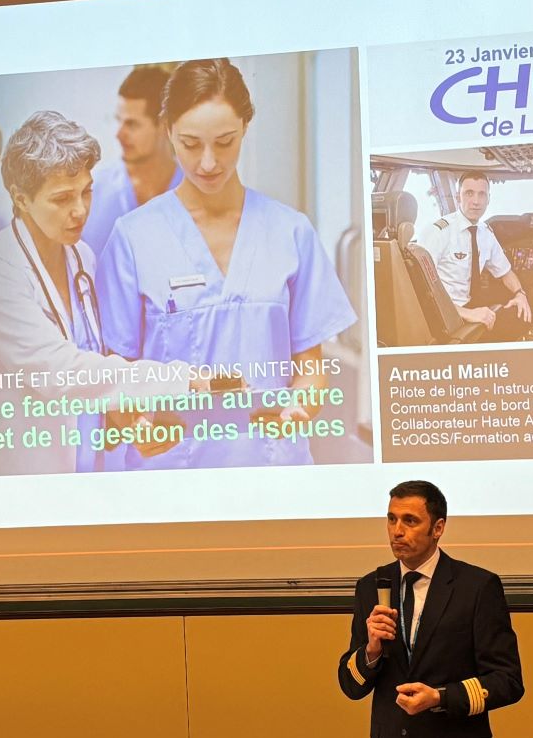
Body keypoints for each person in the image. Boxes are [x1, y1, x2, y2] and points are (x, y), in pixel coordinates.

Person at [96, 58, 357, 470]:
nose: (208, 163)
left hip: (272, 469)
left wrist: (300, 411)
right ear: (169, 133)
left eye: (224, 142)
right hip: (171, 475)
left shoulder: (291, 232)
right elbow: (116, 377)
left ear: (245, 129)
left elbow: (311, 371)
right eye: (190, 143)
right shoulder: (132, 238)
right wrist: (135, 424)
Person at [0, 110, 212, 473]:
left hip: (81, 474)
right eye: (62, 198)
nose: (80, 210)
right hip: (18, 477)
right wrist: (172, 378)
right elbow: (60, 372)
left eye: (86, 192)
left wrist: (132, 423)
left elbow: (94, 363)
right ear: (20, 197)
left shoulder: (81, 258)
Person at [337, 480, 523, 738]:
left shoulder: (477, 587)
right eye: (391, 519)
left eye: (410, 521)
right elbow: (350, 684)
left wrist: (440, 697)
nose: (396, 531)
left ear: (438, 528)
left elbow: (508, 680)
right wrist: (369, 649)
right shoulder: (372, 587)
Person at [80, 65, 184, 253]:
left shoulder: (195, 191)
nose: (119, 134)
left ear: (164, 125)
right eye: (118, 120)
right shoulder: (91, 190)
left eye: (132, 124)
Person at [414, 171, 532, 338]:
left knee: (522, 314)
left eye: (481, 194)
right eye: (469, 193)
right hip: (443, 314)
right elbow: (419, 288)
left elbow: (505, 272)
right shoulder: (437, 233)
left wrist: (520, 294)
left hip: (470, 302)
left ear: (488, 199)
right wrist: (468, 314)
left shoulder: (486, 233)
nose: (476, 201)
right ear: (458, 197)